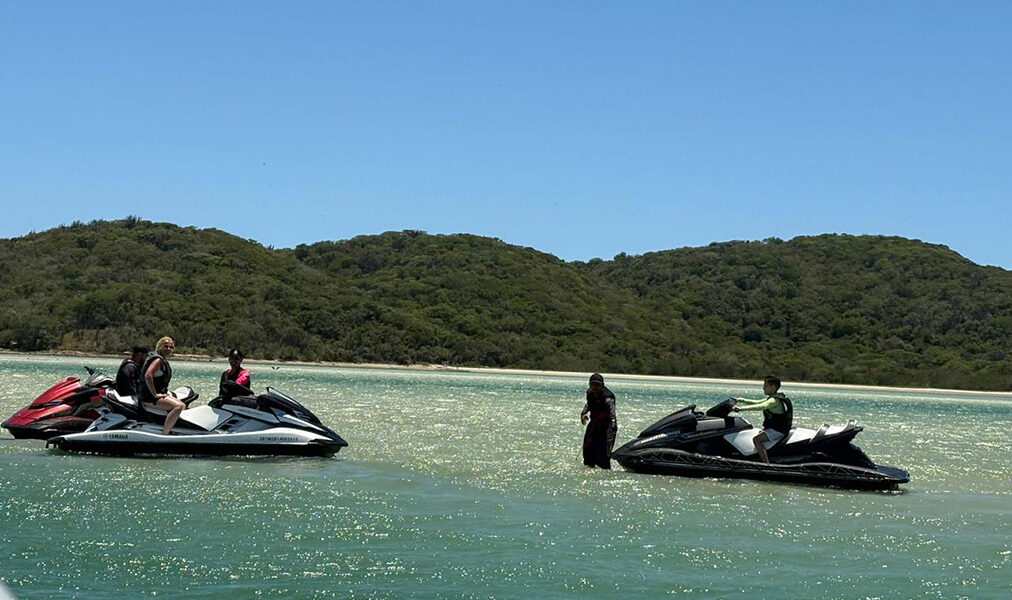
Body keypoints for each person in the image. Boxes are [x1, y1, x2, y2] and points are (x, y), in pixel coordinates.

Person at [731, 375, 793, 463]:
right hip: (777, 429)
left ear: (773, 387)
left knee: (756, 440)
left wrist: (741, 409)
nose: (763, 388)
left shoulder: (774, 401)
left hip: (778, 430)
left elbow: (761, 406)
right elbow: (758, 402)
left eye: (765, 386)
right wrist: (741, 400)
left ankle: (766, 464)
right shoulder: (775, 397)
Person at [139, 336, 184, 435]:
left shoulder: (158, 358)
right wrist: (155, 394)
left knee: (183, 405)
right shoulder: (158, 360)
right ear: (159, 346)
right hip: (150, 397)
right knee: (179, 406)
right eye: (165, 346)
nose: (168, 349)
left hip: (153, 395)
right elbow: (148, 375)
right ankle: (165, 434)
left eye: (171, 347)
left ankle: (172, 428)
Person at [580, 373, 618, 469]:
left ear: (602, 385)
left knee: (603, 457)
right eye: (592, 384)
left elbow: (612, 415)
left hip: (607, 427)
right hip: (594, 425)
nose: (595, 387)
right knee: (588, 454)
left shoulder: (608, 397)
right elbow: (589, 404)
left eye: (597, 385)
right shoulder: (589, 393)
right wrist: (583, 413)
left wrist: (609, 440)